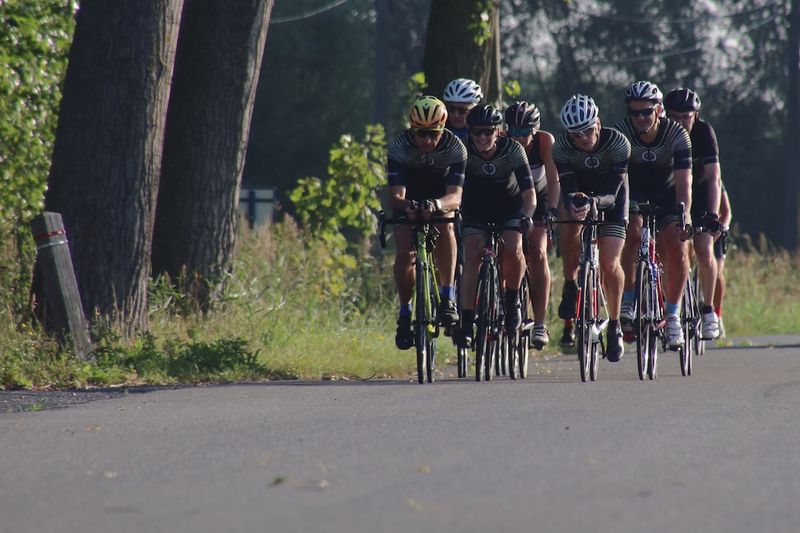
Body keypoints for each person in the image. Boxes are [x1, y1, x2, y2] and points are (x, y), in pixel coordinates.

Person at [553, 94, 631, 362]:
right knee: (569, 224)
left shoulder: (618, 143)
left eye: (588, 130)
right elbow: (567, 186)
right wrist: (575, 202)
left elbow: (613, 191)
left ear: (597, 123)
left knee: (610, 263)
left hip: (611, 196)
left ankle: (615, 324)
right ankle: (572, 282)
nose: (583, 138)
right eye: (576, 134)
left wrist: (595, 202)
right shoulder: (561, 148)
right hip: (580, 193)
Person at [616, 81, 693, 349]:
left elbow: (684, 183)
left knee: (677, 248)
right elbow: (619, 179)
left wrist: (685, 215)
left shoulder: (677, 135)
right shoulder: (621, 132)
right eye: (634, 113)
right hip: (634, 193)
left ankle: (672, 315)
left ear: (659, 110)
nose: (640, 118)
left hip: (667, 194)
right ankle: (628, 299)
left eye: (646, 112)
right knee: (631, 234)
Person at [387, 95, 467, 350]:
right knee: (404, 248)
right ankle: (404, 312)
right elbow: (396, 195)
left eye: (433, 134)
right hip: (410, 194)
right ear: (412, 128)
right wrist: (408, 206)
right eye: (421, 134)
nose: (427, 140)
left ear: (442, 129)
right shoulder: (399, 146)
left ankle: (446, 297)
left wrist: (437, 205)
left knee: (446, 226)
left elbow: (456, 196)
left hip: (440, 196)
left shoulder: (455, 148)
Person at [459, 104, 536, 346]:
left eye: (488, 132)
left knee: (513, 248)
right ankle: (467, 319)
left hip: (509, 205)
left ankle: (512, 303)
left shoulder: (513, 149)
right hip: (476, 206)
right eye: (477, 132)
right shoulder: (463, 149)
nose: (482, 137)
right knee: (472, 253)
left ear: (498, 131)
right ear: (470, 132)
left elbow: (529, 193)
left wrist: (527, 215)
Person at [664, 88, 721, 340]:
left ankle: (708, 310)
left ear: (695, 116)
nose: (679, 122)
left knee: (705, 249)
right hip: (670, 196)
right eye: (674, 117)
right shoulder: (662, 131)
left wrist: (713, 214)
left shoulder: (704, 132)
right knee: (671, 251)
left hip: (698, 197)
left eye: (685, 117)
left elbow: (713, 178)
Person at [504, 101, 560, 348]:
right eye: (513, 132)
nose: (518, 138)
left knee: (537, 251)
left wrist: (553, 212)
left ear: (534, 131)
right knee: (502, 249)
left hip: (542, 196)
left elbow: (555, 180)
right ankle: (499, 303)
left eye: (524, 132)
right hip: (512, 198)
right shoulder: (501, 140)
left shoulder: (545, 142)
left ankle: (540, 323)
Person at [714, 182, 732, 337]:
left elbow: (727, 212)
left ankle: (718, 315)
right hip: (692, 230)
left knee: (718, 272)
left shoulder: (716, 180)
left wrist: (723, 227)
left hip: (715, 230)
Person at [442, 78, 483, 143]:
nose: (456, 115)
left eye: (462, 110)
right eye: (451, 109)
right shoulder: (438, 133)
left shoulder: (485, 135)